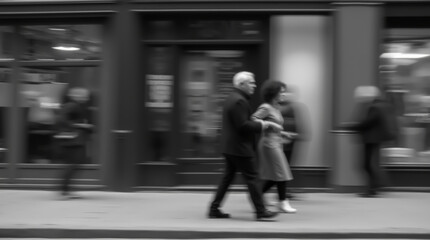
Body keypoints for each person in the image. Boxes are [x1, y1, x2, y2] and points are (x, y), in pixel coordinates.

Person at [208, 71, 280, 221]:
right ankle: (261, 212)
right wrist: (264, 124)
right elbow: (242, 126)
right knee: (253, 178)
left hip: (231, 147)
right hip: (239, 148)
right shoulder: (239, 101)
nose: (254, 85)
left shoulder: (232, 98)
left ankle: (214, 209)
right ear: (241, 84)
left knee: (227, 179)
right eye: (251, 82)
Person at [251, 80, 296, 213]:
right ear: (273, 93)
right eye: (281, 92)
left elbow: (275, 127)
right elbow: (253, 119)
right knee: (281, 172)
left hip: (276, 142)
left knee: (275, 174)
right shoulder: (266, 107)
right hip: (268, 144)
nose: (284, 94)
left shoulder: (275, 107)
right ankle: (283, 202)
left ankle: (257, 195)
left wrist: (284, 133)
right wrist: (271, 125)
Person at [342, 85, 394, 198]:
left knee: (367, 164)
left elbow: (367, 122)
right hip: (373, 139)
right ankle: (374, 187)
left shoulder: (374, 107)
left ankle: (373, 188)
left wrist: (350, 127)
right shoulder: (380, 105)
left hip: (371, 139)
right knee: (370, 164)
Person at [56, 87, 93, 199]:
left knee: (74, 164)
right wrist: (80, 125)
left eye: (86, 95)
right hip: (73, 141)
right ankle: (64, 190)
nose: (87, 97)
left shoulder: (77, 106)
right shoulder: (72, 105)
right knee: (74, 164)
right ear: (76, 96)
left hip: (75, 140)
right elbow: (61, 119)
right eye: (84, 95)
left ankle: (66, 190)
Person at [279, 86, 310, 199]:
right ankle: (282, 191)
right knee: (284, 166)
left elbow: (297, 123)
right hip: (283, 140)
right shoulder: (280, 107)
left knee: (286, 165)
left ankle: (284, 190)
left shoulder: (293, 107)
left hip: (291, 140)